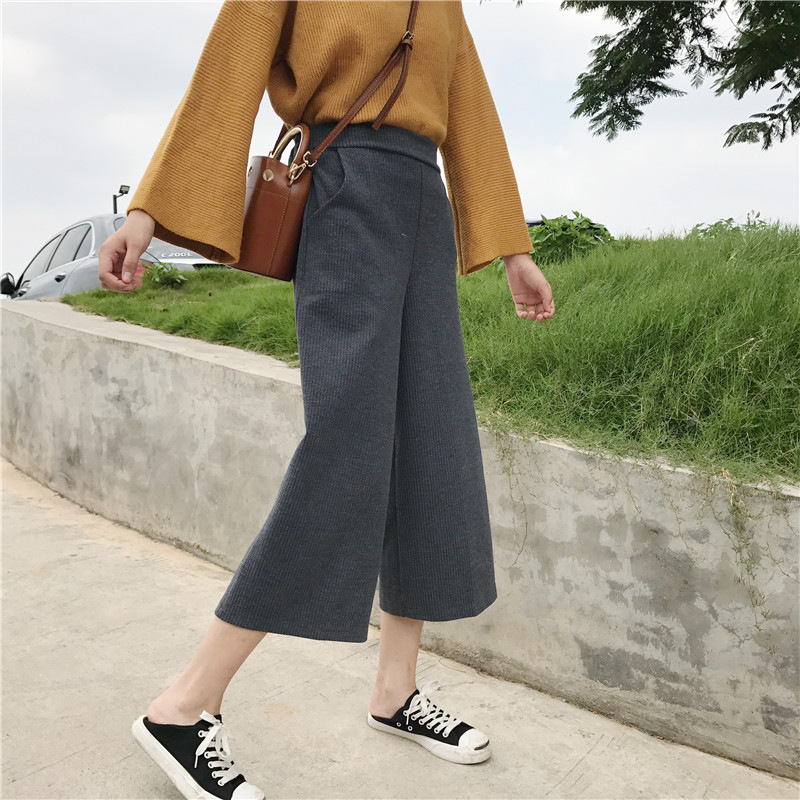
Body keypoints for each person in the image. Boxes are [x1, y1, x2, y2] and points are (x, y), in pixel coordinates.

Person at [98, 2, 555, 798]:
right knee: (347, 447)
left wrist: (512, 248)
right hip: (344, 187)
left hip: (423, 203)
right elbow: (227, 68)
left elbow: (470, 111)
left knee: (431, 436)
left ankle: (396, 691)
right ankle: (184, 705)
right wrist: (147, 212)